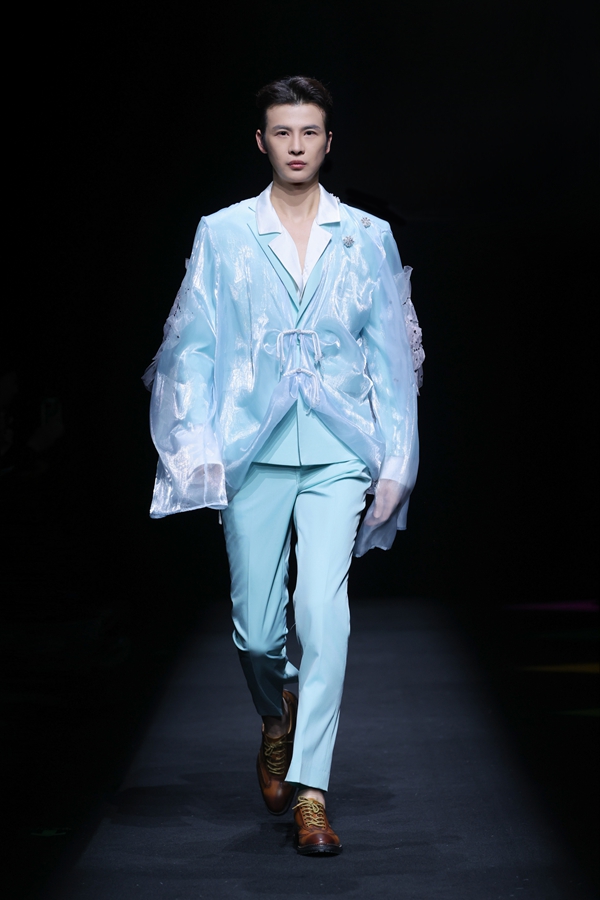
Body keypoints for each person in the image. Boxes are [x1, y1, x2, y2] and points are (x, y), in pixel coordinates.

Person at [144, 75, 423, 855]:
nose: (296, 146)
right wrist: (194, 447)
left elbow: (391, 354)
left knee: (323, 617)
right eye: (282, 131)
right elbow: (192, 344)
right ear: (261, 141)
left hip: (340, 447)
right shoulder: (224, 232)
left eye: (309, 132)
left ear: (329, 142)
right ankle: (277, 716)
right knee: (256, 632)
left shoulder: (366, 235)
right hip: (253, 446)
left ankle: (311, 793)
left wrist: (398, 457)